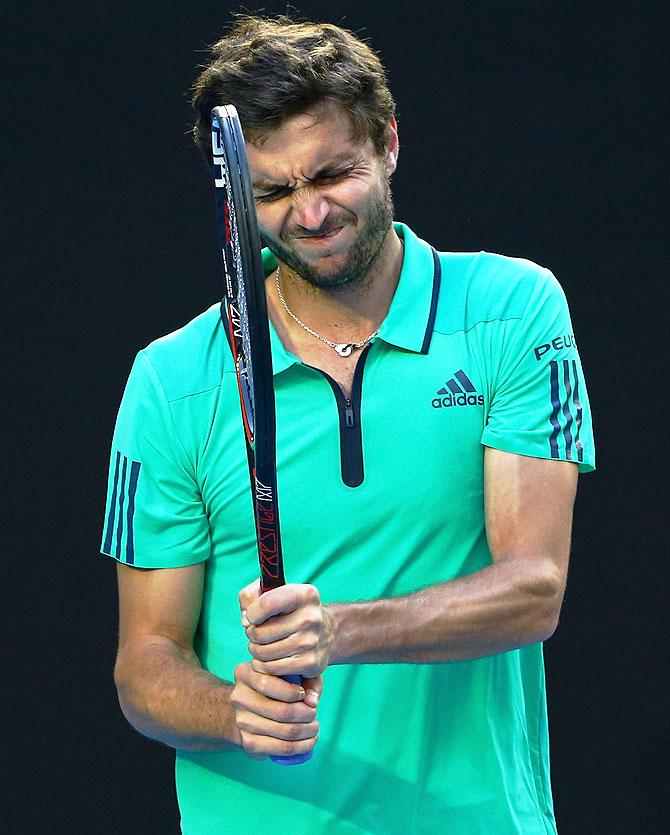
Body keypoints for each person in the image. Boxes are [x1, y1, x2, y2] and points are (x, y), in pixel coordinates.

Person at [101, 15, 595, 834]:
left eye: (334, 173)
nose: (311, 212)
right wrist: (236, 711)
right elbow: (145, 665)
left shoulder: (512, 310)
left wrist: (334, 631)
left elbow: (534, 588)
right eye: (274, 192)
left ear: (389, 143)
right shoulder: (173, 381)